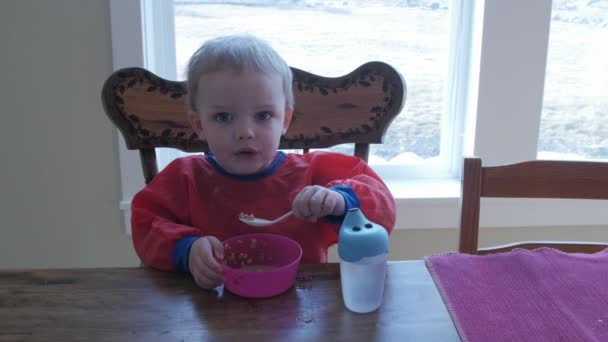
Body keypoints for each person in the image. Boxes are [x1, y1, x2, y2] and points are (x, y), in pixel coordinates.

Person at [131, 34, 396, 290]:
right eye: (223, 117)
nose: (245, 131)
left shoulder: (313, 173)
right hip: (212, 309)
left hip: (304, 306)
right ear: (199, 125)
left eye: (263, 115)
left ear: (285, 120)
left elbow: (382, 208)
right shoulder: (183, 178)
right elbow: (146, 224)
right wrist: (186, 251)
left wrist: (340, 202)